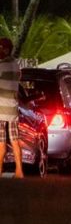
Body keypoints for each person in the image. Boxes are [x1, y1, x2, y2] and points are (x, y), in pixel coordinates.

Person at [0, 38, 23, 178]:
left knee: (0, 143)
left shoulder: (2, 66)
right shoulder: (15, 65)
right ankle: (19, 171)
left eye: (1, 48)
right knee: (15, 141)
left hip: (1, 110)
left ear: (7, 49)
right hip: (13, 109)